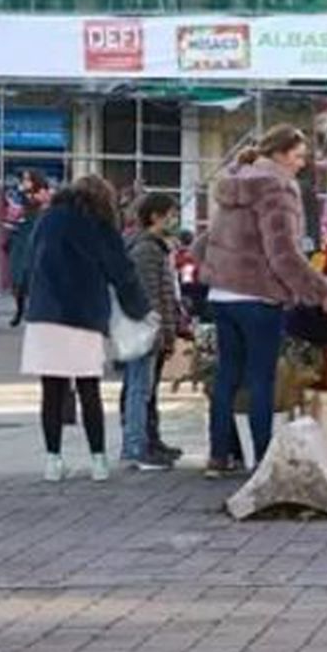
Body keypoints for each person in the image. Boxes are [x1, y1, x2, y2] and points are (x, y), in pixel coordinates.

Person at [200, 124, 327, 478]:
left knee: (227, 375)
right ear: (278, 154)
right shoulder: (277, 189)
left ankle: (219, 456)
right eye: (298, 156)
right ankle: (262, 460)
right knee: (262, 379)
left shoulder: (235, 182)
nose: (302, 164)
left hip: (222, 293)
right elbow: (283, 254)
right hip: (258, 294)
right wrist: (320, 291)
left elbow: (204, 242)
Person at [20, 175, 150, 483]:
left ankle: (53, 461)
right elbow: (121, 271)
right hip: (84, 316)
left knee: (51, 392)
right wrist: (140, 310)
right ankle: (98, 461)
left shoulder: (48, 219)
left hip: (45, 315)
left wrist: (23, 301)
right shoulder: (100, 225)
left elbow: (28, 262)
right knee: (89, 390)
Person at [120, 193, 183, 471]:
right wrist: (158, 331)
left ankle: (149, 440)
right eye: (171, 214)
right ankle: (135, 446)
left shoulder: (156, 247)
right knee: (139, 388)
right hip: (145, 330)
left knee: (147, 389)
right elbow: (150, 296)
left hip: (152, 329)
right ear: (156, 216)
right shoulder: (146, 249)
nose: (175, 219)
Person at [8, 170, 52, 327]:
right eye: (24, 179)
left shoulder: (44, 196)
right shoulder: (18, 196)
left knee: (32, 275)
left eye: (28, 179)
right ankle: (19, 310)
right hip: (21, 238)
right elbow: (11, 216)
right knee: (17, 276)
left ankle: (35, 310)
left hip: (36, 239)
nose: (25, 182)